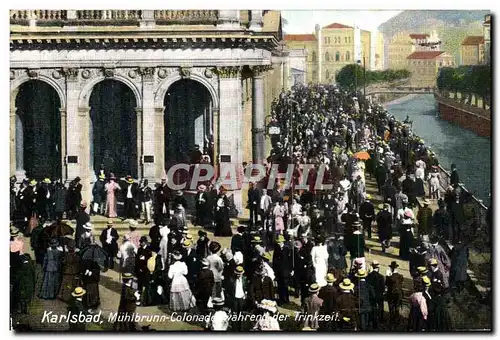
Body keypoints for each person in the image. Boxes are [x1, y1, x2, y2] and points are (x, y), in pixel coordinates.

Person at [227, 266, 248, 331]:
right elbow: (228, 290)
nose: (238, 275)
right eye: (237, 274)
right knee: (234, 315)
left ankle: (240, 328)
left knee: (240, 314)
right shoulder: (231, 279)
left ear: (242, 273)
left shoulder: (244, 279)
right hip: (234, 299)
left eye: (240, 274)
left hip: (241, 298)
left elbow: (245, 287)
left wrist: (245, 294)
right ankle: (234, 329)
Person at [273, 234, 292, 305]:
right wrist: (274, 270)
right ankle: (281, 300)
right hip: (278, 271)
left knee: (285, 286)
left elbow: (289, 261)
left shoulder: (287, 249)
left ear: (282, 242)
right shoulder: (276, 249)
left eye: (279, 242)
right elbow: (274, 260)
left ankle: (286, 299)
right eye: (278, 242)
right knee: (280, 286)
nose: (278, 243)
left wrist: (290, 270)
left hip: (285, 271)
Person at [367, 260, 385, 330]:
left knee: (372, 308)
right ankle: (381, 318)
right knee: (380, 307)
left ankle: (370, 319)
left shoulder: (368, 276)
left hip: (371, 296)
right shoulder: (381, 277)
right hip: (379, 295)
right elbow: (383, 288)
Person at [385, 261, 403, 329]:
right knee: (397, 307)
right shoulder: (400, 276)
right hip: (398, 294)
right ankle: (397, 319)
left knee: (391, 307)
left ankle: (392, 319)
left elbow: (386, 284)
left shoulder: (389, 277)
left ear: (391, 268)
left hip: (391, 294)